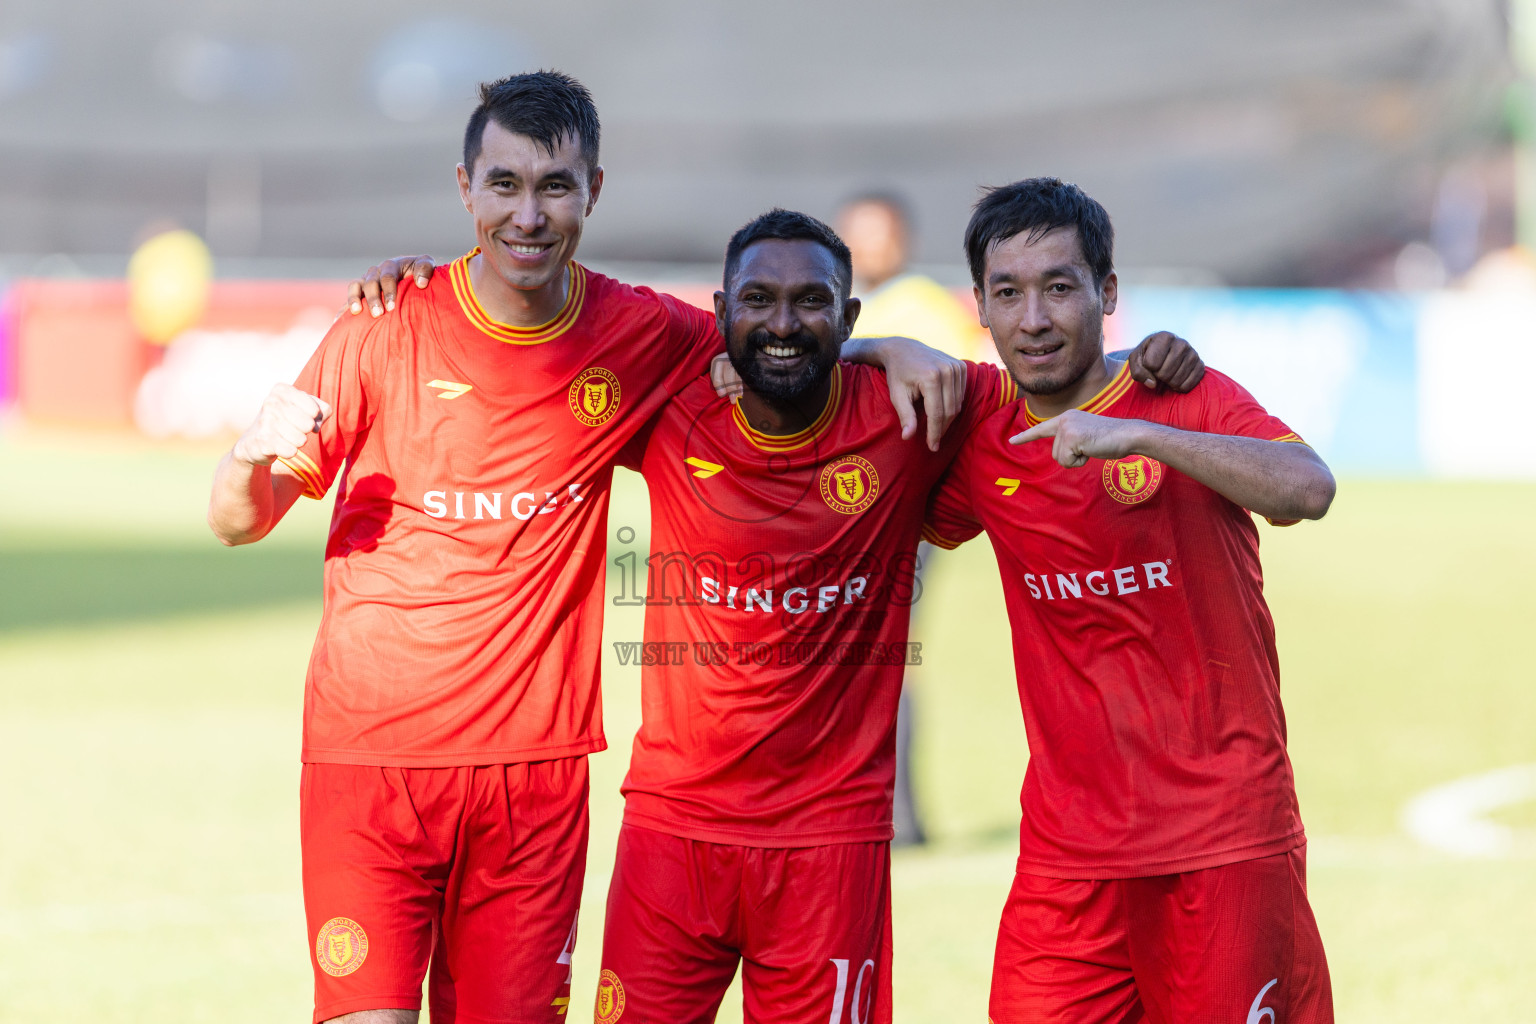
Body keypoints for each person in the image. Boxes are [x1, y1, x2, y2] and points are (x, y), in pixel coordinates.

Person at [206, 71, 959, 1024]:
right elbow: (242, 516)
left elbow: (776, 338)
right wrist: (243, 460)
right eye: (505, 185)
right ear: (465, 189)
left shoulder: (638, 332)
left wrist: (882, 347)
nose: (529, 213)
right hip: (372, 761)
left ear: (593, 192)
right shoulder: (383, 327)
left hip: (538, 773)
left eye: (554, 186)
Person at [922, 177, 1336, 1023]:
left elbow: (1308, 488)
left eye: (1059, 287)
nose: (1034, 318)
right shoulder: (981, 431)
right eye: (1009, 293)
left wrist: (1144, 434)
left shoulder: (1184, 395)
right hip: (1068, 859)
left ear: (1108, 294)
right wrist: (880, 348)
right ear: (982, 307)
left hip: (1221, 838)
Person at [836, 193, 986, 845]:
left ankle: (898, 819)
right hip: (839, 513)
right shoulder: (821, 302)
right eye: (857, 236)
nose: (870, 248)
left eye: (881, 235)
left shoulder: (927, 308)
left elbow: (956, 405)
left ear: (904, 238)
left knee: (880, 656)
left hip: (901, 512)